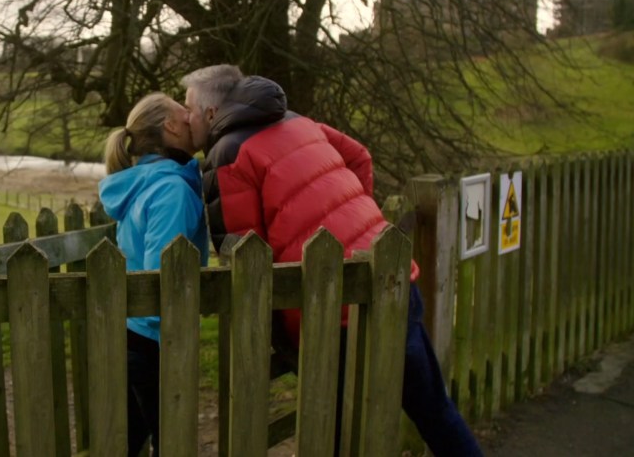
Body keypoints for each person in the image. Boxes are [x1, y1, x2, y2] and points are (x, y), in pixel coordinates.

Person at [181, 65, 482, 456]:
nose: (184, 117)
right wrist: (356, 223)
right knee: (434, 411)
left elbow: (248, 255)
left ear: (209, 113)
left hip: (332, 313)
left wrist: (277, 332)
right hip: (392, 281)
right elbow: (360, 157)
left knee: (336, 431)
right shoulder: (297, 120)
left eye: (188, 108)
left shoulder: (227, 154)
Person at [98, 92, 210, 457]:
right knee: (172, 442)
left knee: (131, 442)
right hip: (155, 341)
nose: (193, 117)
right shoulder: (170, 190)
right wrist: (171, 339)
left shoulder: (147, 181)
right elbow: (163, 275)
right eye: (184, 112)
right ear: (170, 126)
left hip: (134, 334)